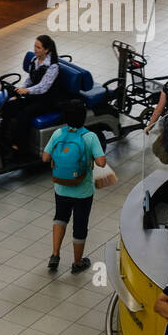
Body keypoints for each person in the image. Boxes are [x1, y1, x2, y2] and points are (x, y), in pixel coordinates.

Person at [42, 100, 106, 274]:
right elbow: (101, 162)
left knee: (60, 218)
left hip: (61, 187)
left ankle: (55, 254)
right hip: (83, 191)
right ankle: (77, 263)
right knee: (80, 225)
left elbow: (45, 158)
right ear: (84, 117)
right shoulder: (90, 137)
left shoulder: (57, 134)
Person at [0, 34, 63, 157]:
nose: (35, 49)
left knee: (24, 114)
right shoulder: (35, 60)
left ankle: (20, 148)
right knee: (9, 105)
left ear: (46, 49)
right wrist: (21, 89)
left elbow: (43, 87)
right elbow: (30, 78)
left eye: (38, 47)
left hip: (46, 100)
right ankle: (2, 138)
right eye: (35, 46)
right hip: (34, 95)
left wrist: (27, 91)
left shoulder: (53, 66)